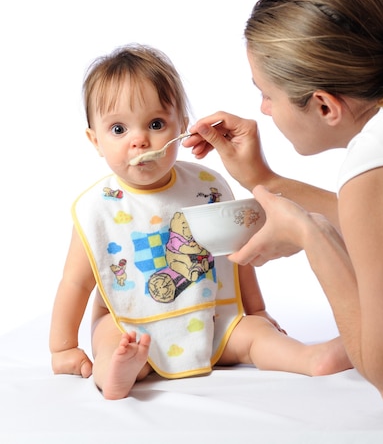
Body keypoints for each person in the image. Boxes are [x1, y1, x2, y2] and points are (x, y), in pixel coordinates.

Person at [49, 43, 351, 400]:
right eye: (118, 129)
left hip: (211, 321)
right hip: (130, 323)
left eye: (156, 124)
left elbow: (236, 254)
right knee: (111, 340)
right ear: (94, 140)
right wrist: (62, 348)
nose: (139, 140)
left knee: (254, 335)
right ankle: (118, 372)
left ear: (181, 126)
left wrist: (257, 311)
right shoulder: (99, 207)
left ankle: (309, 356)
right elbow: (76, 283)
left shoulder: (207, 187)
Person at [183, 0, 383, 408]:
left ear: (325, 105)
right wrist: (263, 181)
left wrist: (311, 236)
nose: (264, 109)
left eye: (267, 93)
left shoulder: (375, 159)